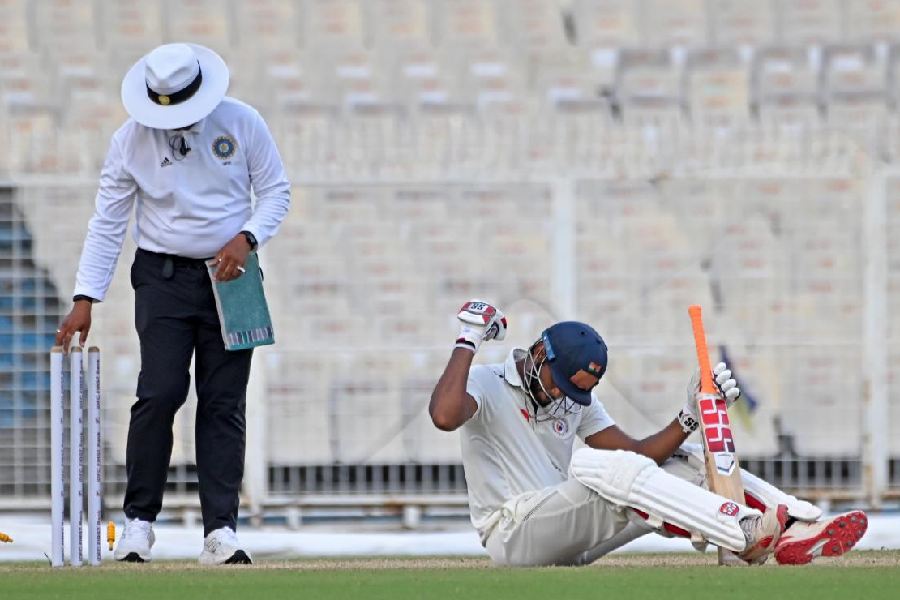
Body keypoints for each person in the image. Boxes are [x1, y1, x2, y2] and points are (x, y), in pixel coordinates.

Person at [54, 43, 291, 565]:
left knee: (223, 401)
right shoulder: (130, 140)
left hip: (233, 276)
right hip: (163, 277)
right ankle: (139, 523)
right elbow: (108, 222)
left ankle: (220, 531)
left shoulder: (242, 121)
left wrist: (247, 238)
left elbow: (275, 191)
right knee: (159, 394)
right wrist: (84, 296)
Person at [429, 300, 869, 566]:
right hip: (513, 534)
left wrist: (689, 416)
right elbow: (445, 416)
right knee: (591, 465)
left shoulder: (571, 399)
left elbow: (641, 454)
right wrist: (468, 338)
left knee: (685, 459)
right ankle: (745, 530)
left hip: (569, 538)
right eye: (560, 384)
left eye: (576, 392)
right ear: (540, 353)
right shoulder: (485, 383)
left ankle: (798, 523)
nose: (563, 397)